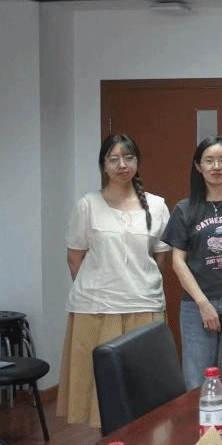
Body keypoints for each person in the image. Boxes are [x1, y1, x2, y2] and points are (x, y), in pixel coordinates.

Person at [57, 134, 171, 427]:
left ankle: (142, 441)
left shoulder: (157, 205)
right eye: (114, 159)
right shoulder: (87, 205)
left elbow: (160, 258)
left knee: (145, 383)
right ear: (103, 165)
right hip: (96, 308)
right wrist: (102, 287)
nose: (122, 165)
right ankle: (108, 443)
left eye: (129, 158)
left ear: (137, 162)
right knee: (101, 388)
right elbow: (74, 258)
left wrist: (135, 280)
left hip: (144, 304)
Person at [162, 136, 222, 388]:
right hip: (196, 305)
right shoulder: (184, 209)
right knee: (196, 381)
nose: (216, 167)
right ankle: (200, 418)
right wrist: (203, 304)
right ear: (198, 166)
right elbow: (178, 261)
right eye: (209, 160)